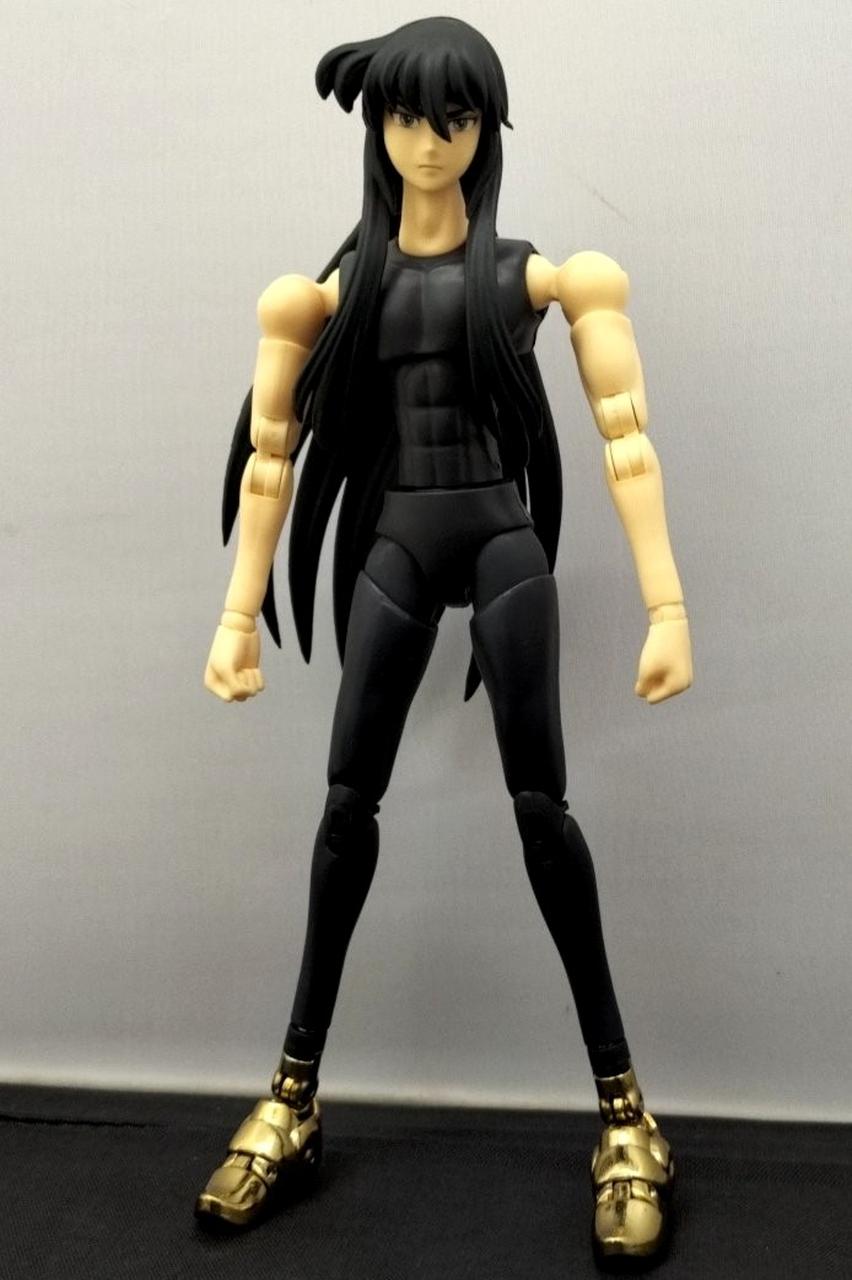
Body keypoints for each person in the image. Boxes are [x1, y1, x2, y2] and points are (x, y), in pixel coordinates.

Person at [196, 17, 692, 1264]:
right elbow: (271, 463)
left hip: (500, 540)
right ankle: (292, 1096)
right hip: (401, 545)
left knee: (544, 811)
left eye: (456, 117)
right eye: (409, 116)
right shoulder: (319, 298)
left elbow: (627, 434)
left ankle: (626, 1113)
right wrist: (238, 614)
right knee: (344, 806)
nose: (430, 140)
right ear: (378, 126)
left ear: (486, 129)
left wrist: (668, 603)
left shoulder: (544, 277)